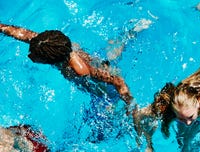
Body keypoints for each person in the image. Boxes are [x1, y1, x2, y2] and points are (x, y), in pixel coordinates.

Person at [0, 23, 134, 105]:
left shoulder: (80, 70)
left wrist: (131, 106)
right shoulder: (49, 45)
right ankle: (128, 34)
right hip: (94, 63)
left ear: (50, 60)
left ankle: (130, 33)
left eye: (35, 55)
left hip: (106, 93)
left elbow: (117, 81)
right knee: (110, 56)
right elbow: (22, 33)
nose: (30, 55)